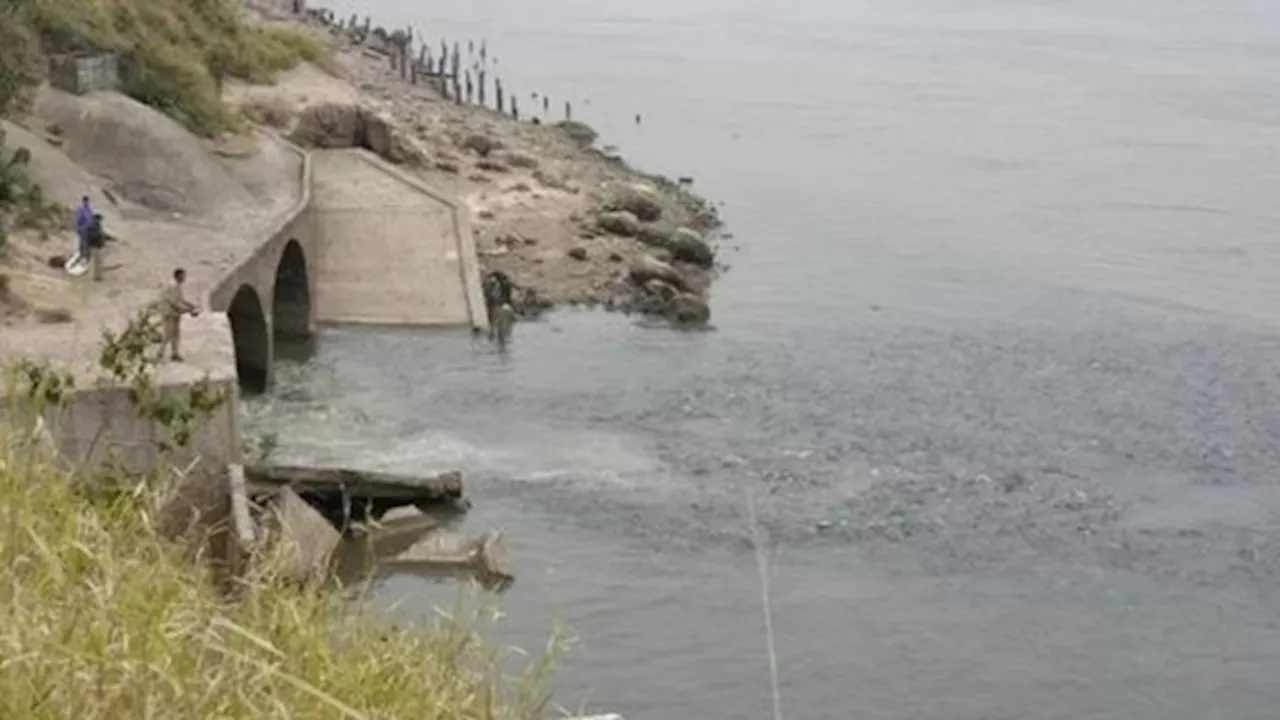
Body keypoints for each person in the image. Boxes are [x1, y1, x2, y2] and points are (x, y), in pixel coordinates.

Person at [158, 268, 198, 362]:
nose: (184, 278)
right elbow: (174, 303)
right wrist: (189, 310)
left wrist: (190, 305)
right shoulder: (172, 286)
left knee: (175, 334)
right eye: (183, 276)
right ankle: (160, 353)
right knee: (168, 334)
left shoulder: (177, 286)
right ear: (178, 276)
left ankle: (174, 354)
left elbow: (180, 300)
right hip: (169, 313)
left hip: (174, 314)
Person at [73, 196, 94, 264]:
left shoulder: (89, 208)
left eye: (87, 201)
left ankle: (86, 257)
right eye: (85, 201)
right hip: (82, 228)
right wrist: (78, 227)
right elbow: (78, 218)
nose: (86, 202)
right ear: (83, 201)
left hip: (88, 228)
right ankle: (82, 256)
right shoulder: (80, 208)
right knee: (82, 242)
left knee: (87, 243)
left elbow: (91, 218)